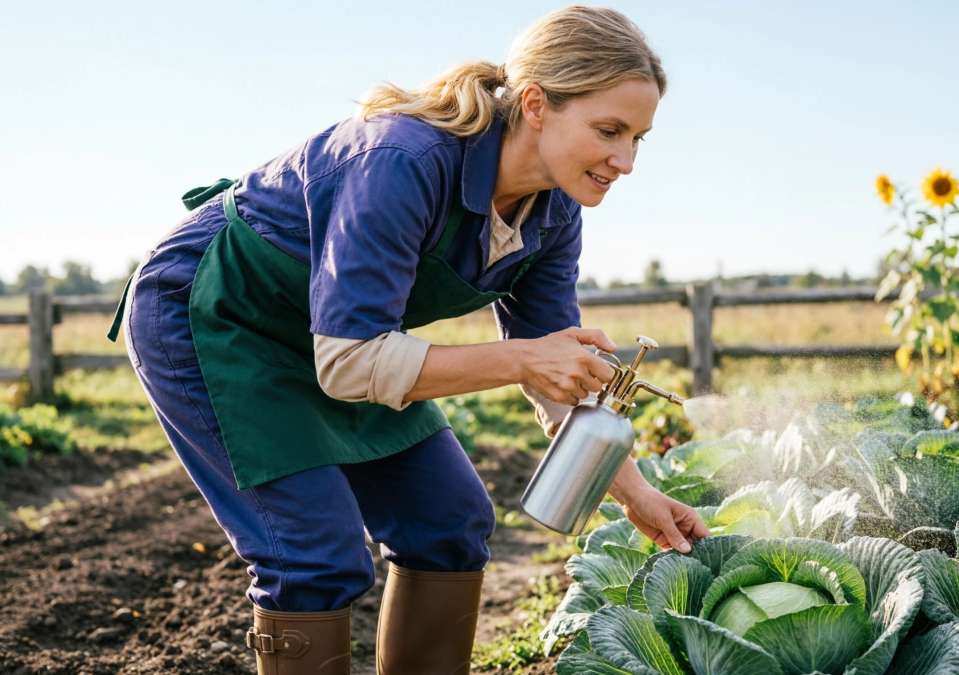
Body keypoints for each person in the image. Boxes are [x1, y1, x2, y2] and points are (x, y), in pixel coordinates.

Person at [109, 6, 709, 674]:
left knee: (449, 520)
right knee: (312, 551)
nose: (625, 160)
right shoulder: (402, 159)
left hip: (344, 338)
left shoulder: (553, 212)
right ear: (536, 104)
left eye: (638, 139)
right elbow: (354, 362)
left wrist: (637, 494)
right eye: (609, 130)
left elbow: (552, 376)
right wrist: (522, 358)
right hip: (219, 311)